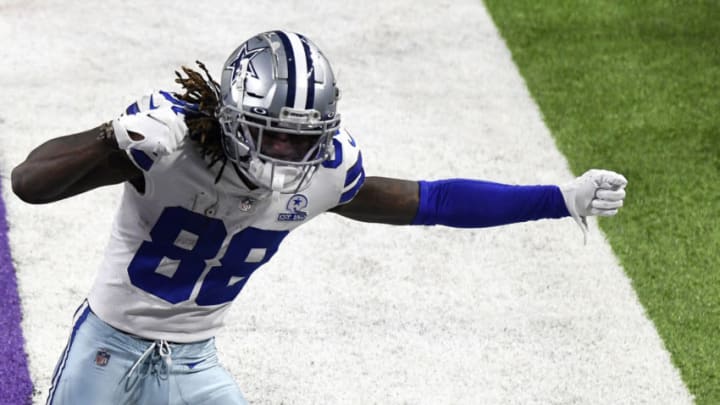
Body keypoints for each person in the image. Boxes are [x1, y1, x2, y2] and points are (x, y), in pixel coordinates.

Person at [11, 30, 627, 405]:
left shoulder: (327, 170)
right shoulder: (170, 146)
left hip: (195, 360)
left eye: (300, 140)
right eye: (271, 136)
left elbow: (434, 201)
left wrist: (558, 199)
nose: (286, 155)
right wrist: (109, 138)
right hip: (107, 350)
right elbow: (28, 183)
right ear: (230, 119)